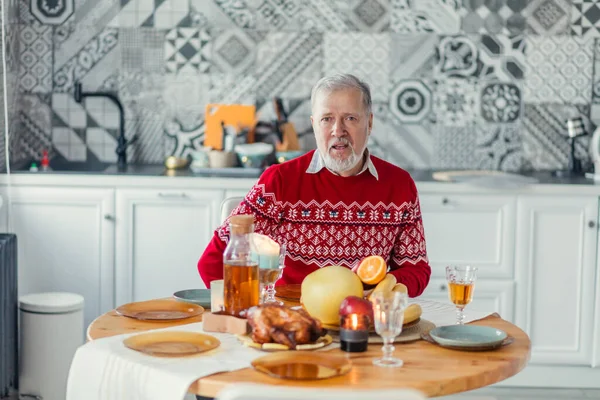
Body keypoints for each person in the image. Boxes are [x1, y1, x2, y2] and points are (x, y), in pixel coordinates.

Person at [197, 73, 431, 297]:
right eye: (327, 119)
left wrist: (385, 288)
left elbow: (416, 269)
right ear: (314, 125)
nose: (338, 131)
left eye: (350, 118)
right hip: (293, 326)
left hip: (363, 321)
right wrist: (252, 309)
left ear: (369, 123)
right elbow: (213, 262)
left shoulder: (400, 186)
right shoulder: (279, 181)